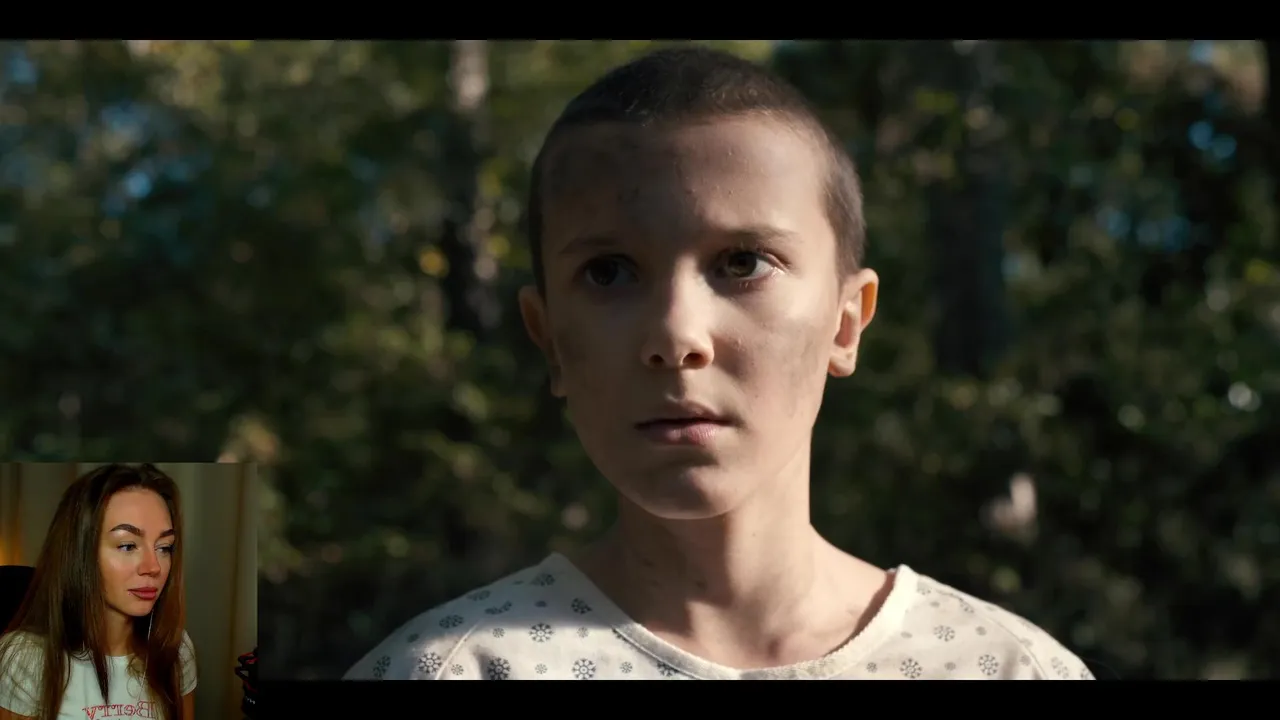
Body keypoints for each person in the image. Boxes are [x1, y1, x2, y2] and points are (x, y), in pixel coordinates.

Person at [343, 46, 1095, 681]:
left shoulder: (1009, 668)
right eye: (608, 272)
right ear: (550, 339)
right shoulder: (448, 670)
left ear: (845, 323)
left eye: (742, 263)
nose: (676, 335)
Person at [0, 464, 197, 717]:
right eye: (128, 546)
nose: (153, 567)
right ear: (80, 552)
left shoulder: (176, 648)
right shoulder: (24, 659)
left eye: (164, 547)